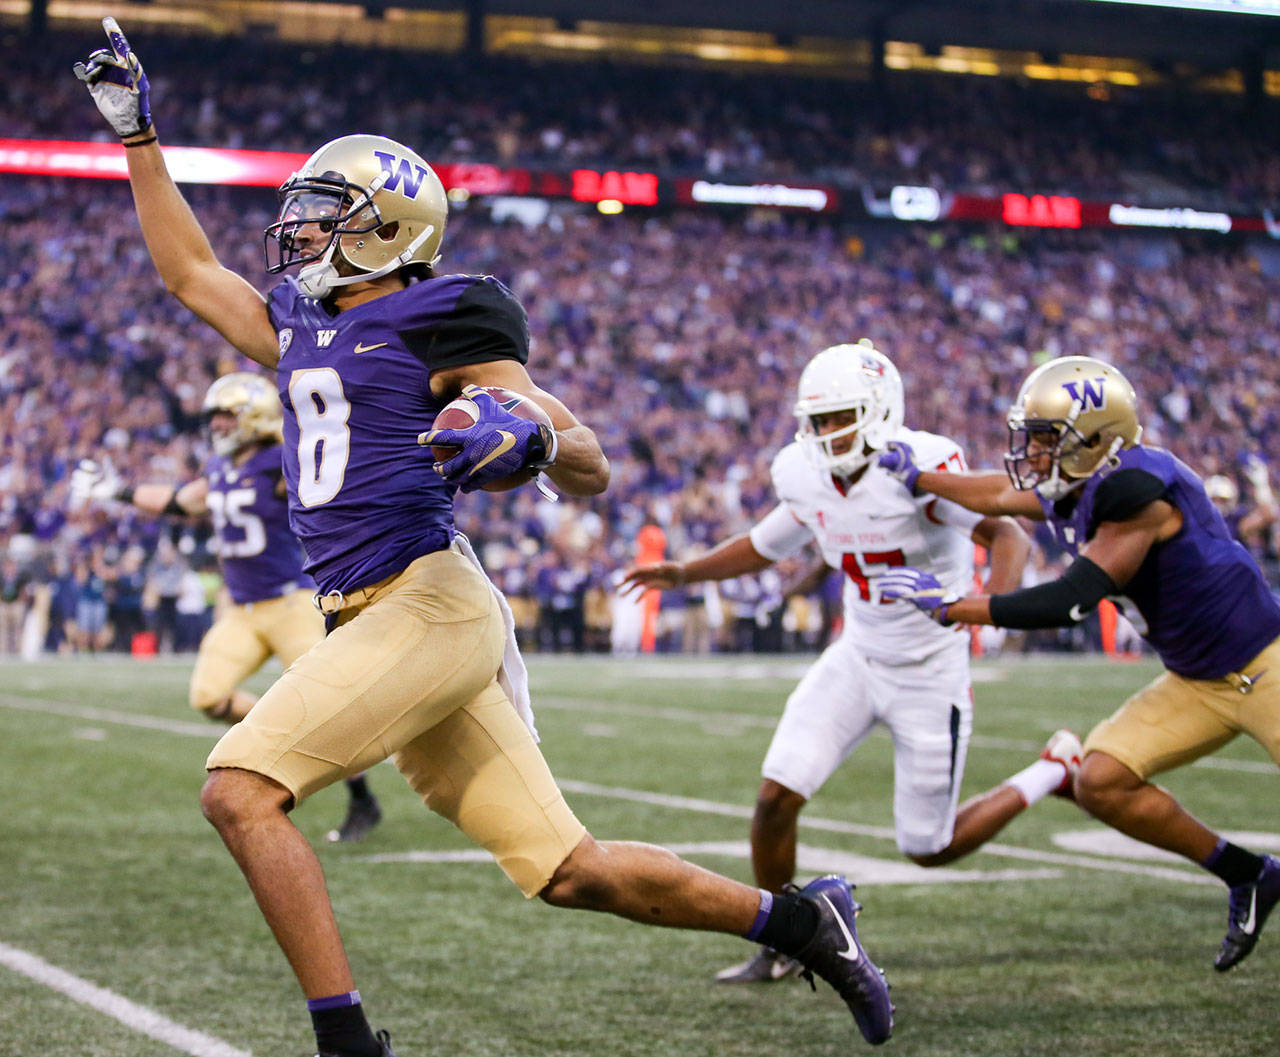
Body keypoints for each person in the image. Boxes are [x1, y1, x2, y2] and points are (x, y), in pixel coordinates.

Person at [74, 20, 894, 1055]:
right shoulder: (296, 323)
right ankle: (801, 919)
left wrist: (530, 431)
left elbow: (586, 459)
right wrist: (139, 135)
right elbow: (189, 271)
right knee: (570, 870)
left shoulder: (448, 314)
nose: (296, 227)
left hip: (423, 600)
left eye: (326, 212)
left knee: (238, 790)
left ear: (388, 228)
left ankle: (347, 1043)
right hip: (366, 617)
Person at [621, 340, 1079, 983]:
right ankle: (784, 942)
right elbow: (767, 543)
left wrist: (985, 607)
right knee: (775, 796)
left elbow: (1008, 532)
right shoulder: (804, 473)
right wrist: (684, 572)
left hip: (928, 669)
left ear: (881, 411)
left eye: (842, 417)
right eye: (819, 419)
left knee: (929, 846)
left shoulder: (921, 467)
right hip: (859, 655)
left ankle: (1053, 771)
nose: (828, 432)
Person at [875, 354, 1280, 973]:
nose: (1033, 454)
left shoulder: (1136, 493)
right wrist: (920, 479)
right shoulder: (1086, 481)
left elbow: (1069, 601)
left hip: (1267, 665)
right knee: (1100, 780)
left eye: (1046, 439)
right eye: (1033, 439)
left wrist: (960, 607)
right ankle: (1248, 875)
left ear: (1098, 439)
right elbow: (994, 491)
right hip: (1198, 680)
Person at [70, 374, 384, 843]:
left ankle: (363, 799)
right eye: (214, 415)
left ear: (252, 416)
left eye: (225, 414)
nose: (216, 424)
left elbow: (325, 459)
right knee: (208, 696)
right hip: (240, 610)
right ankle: (285, 743)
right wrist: (115, 491)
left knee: (327, 706)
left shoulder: (279, 463)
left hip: (290, 601)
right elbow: (179, 500)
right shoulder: (219, 470)